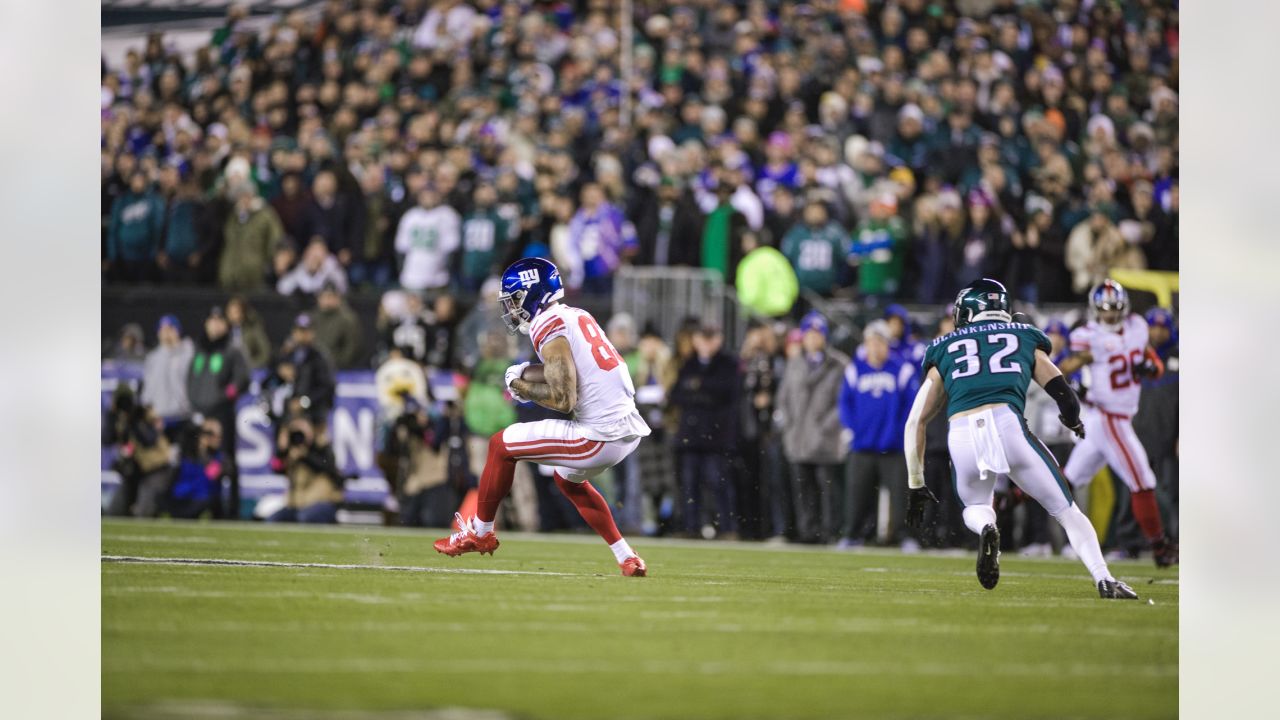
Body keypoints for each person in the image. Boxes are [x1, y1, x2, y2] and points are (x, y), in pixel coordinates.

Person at [902, 278, 1138, 599]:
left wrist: (916, 482)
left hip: (962, 433)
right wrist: (1073, 422)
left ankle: (987, 527)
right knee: (1067, 511)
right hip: (1008, 425)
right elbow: (1065, 396)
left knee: (975, 504)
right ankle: (1104, 579)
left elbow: (916, 421)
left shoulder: (944, 346)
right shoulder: (1022, 335)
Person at [434, 257, 651, 576]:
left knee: (500, 445)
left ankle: (480, 533)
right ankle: (626, 557)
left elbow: (564, 398)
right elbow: (572, 371)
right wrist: (527, 373)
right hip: (623, 429)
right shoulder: (575, 315)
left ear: (532, 293)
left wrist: (522, 387)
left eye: (515, 299)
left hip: (598, 435)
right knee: (569, 482)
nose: (512, 308)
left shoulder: (546, 323)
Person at [1056, 280, 1177, 567]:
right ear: (1095, 309)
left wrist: (1151, 368)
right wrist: (1073, 385)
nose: (1110, 315)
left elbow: (1153, 364)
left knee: (1066, 480)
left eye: (1115, 309)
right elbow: (1062, 368)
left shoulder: (1136, 327)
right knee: (1143, 479)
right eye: (1105, 310)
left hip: (1115, 417)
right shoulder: (1089, 336)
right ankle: (1159, 548)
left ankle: (1015, 496)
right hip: (1108, 416)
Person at [838, 320, 917, 549]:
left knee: (901, 495)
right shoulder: (855, 369)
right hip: (862, 445)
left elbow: (910, 406)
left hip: (892, 446)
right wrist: (853, 429)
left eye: (879, 342)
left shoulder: (902, 370)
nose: (875, 347)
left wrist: (898, 433)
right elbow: (845, 403)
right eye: (871, 342)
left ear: (887, 344)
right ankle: (853, 534)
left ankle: (906, 537)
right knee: (857, 494)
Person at [776, 311, 849, 544]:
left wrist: (826, 426)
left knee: (828, 488)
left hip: (825, 439)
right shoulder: (795, 363)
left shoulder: (838, 364)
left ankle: (830, 531)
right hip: (798, 436)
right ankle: (808, 530)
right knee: (803, 488)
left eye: (817, 334)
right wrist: (788, 424)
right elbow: (783, 397)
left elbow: (843, 402)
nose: (812, 339)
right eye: (809, 334)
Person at [669, 323, 739, 538]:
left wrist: (698, 388)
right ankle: (691, 527)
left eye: (711, 338)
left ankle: (727, 527)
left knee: (718, 482)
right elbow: (675, 395)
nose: (707, 343)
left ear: (719, 339)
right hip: (691, 435)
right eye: (703, 338)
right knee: (689, 484)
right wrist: (704, 392)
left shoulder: (728, 363)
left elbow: (727, 393)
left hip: (716, 436)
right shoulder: (689, 363)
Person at [186, 305, 250, 518]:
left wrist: (226, 396)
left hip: (222, 414)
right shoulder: (200, 349)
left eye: (219, 321)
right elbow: (190, 379)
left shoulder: (232, 349)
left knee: (227, 461)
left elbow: (242, 379)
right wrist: (193, 402)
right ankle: (207, 506)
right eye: (211, 321)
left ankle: (231, 511)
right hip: (200, 413)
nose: (215, 325)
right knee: (203, 461)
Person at [395, 186, 461, 292]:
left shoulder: (447, 215)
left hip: (438, 276)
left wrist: (446, 272)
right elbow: (401, 247)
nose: (428, 198)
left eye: (431, 195)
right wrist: (402, 271)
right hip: (412, 274)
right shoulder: (410, 216)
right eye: (424, 195)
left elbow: (451, 249)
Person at [140, 314, 193, 430]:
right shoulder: (152, 358)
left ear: (178, 331)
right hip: (159, 418)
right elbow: (148, 387)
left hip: (183, 416)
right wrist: (147, 409)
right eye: (163, 329)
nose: (166, 333)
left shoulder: (189, 355)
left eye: (170, 329)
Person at [310, 283, 364, 369]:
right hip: (314, 366)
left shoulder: (348, 319)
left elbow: (352, 347)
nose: (327, 300)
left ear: (338, 298)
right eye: (324, 297)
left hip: (339, 368)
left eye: (330, 297)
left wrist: (339, 363)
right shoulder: (312, 317)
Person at [276, 238, 350, 296]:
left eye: (319, 251)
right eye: (313, 250)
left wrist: (320, 271)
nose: (315, 255)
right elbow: (283, 288)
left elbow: (342, 289)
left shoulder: (333, 269)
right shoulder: (301, 268)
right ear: (307, 253)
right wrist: (309, 272)